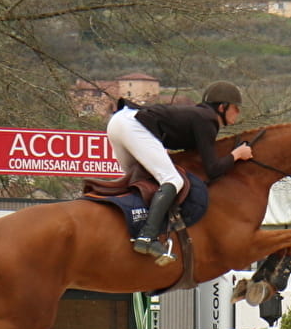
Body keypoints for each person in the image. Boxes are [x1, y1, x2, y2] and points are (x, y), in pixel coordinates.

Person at [106, 81, 254, 261]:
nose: (238, 112)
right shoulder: (208, 120)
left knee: (136, 181)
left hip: (118, 122)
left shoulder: (198, 116)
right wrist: (237, 154)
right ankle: (147, 236)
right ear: (222, 107)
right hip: (133, 126)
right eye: (236, 108)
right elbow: (213, 170)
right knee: (173, 180)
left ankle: (124, 229)